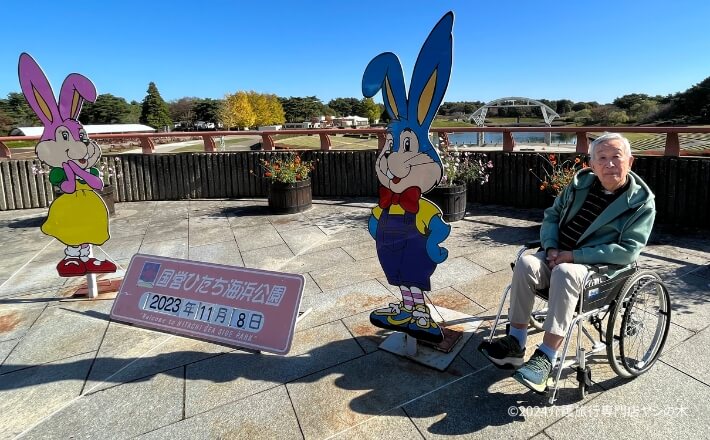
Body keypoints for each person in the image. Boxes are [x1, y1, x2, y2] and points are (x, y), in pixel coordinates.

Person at [478, 132, 656, 393]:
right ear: (592, 164)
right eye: (602, 158)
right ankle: (516, 343)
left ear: (630, 161)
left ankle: (547, 356)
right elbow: (551, 216)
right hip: (558, 254)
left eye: (616, 157)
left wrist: (573, 256)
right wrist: (550, 247)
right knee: (527, 264)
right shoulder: (580, 184)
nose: (609, 164)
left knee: (565, 272)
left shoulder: (640, 203)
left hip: (596, 269)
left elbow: (628, 251)